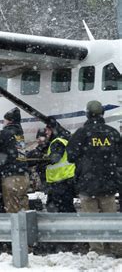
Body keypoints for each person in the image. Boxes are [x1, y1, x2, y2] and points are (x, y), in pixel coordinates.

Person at [67, 100, 121, 256]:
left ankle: (97, 251)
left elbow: (71, 156)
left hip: (87, 183)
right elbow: (119, 157)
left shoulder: (82, 133)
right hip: (109, 183)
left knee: (91, 219)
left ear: (87, 114)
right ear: (102, 113)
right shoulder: (112, 132)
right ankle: (116, 247)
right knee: (111, 218)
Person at [42, 117, 76, 213]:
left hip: (60, 181)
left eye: (48, 130)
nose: (46, 133)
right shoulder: (63, 139)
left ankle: (62, 226)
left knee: (60, 208)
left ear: (53, 130)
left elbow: (55, 158)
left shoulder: (57, 142)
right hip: (63, 181)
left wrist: (42, 159)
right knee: (65, 207)